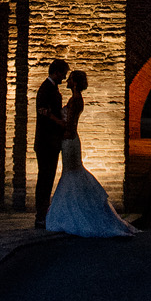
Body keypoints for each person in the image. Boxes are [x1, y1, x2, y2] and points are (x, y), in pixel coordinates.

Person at [44, 68, 140, 237]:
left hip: (70, 140)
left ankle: (76, 212)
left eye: (70, 79)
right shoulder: (76, 99)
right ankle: (76, 208)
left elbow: (68, 125)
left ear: (74, 82)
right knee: (72, 174)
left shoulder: (75, 100)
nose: (67, 81)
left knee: (71, 174)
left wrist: (50, 116)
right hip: (71, 140)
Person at [33, 58, 70, 228]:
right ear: (56, 72)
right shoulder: (46, 89)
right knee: (44, 178)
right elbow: (43, 111)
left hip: (51, 141)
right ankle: (40, 215)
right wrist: (59, 122)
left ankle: (44, 213)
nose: (64, 78)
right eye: (63, 74)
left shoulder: (51, 88)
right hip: (46, 141)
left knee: (48, 178)